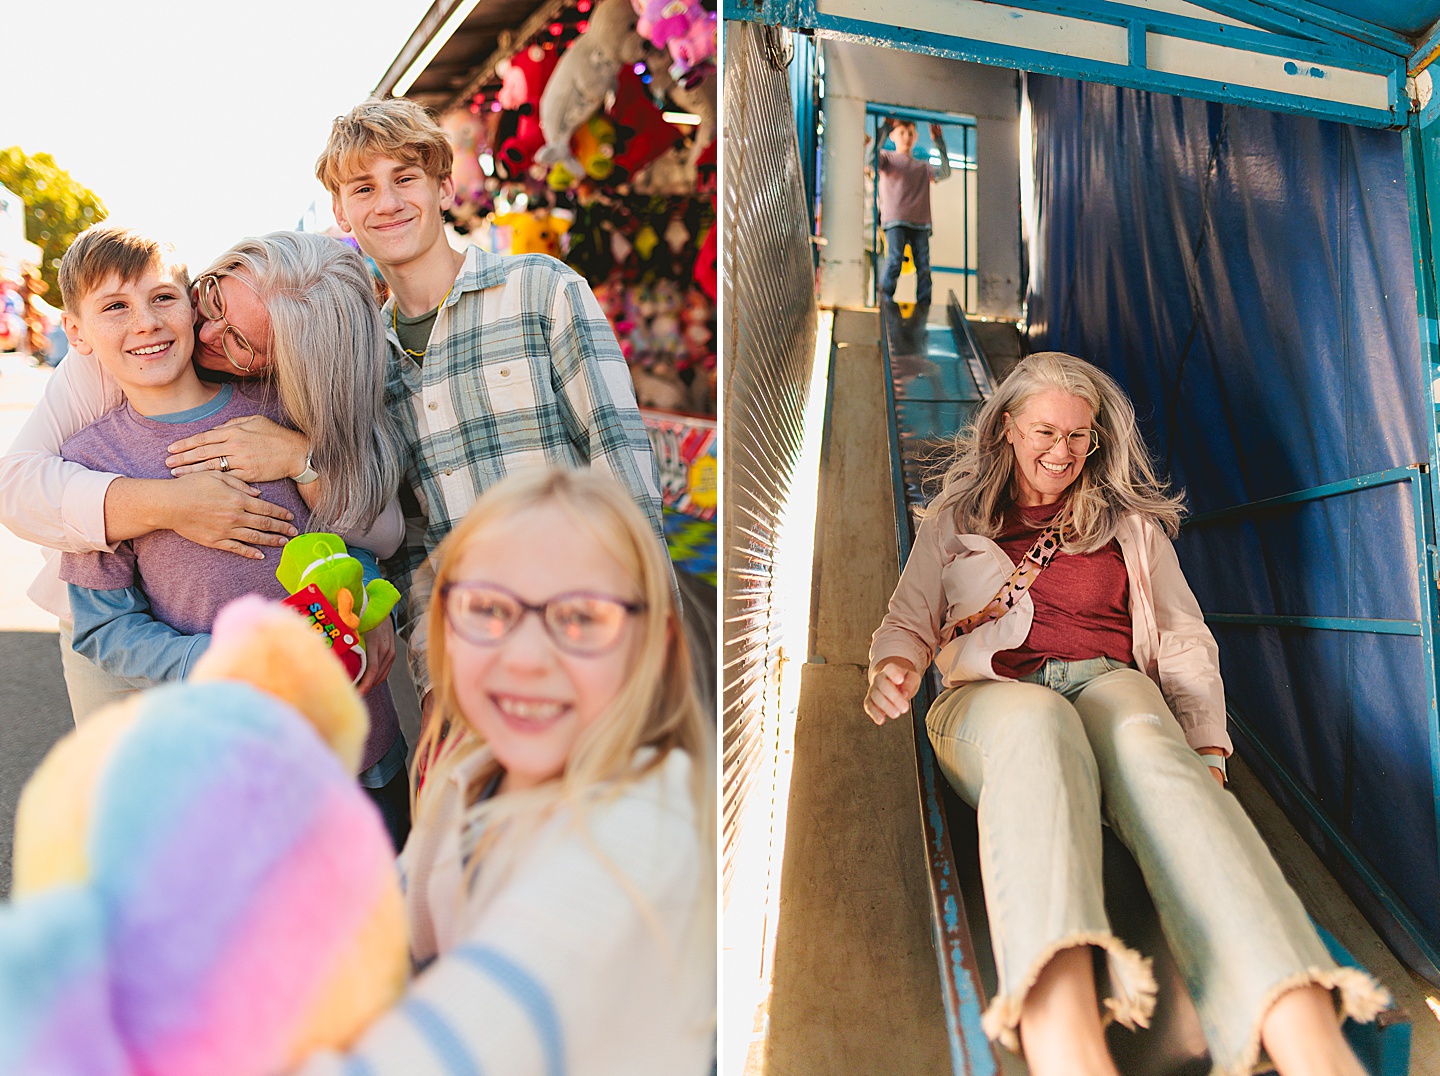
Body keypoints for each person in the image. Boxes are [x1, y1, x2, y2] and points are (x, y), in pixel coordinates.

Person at [865, 352, 1384, 1076]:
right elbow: (907, 621)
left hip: (1108, 684)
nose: (1062, 451)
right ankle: (1063, 1040)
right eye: (1046, 431)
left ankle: (1304, 1033)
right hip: (992, 695)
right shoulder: (956, 520)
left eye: (1079, 436)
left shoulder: (1128, 524)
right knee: (1037, 726)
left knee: (1152, 750)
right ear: (1007, 427)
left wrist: (1205, 748)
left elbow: (1181, 638)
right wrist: (892, 667)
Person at [292, 467, 714, 1074]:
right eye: (488, 609)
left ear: (658, 644)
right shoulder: (473, 772)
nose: (525, 658)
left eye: (582, 617)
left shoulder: (640, 834)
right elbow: (373, 939)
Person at [0, 228, 413, 847]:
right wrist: (220, 661)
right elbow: (103, 627)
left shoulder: (280, 405)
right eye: (116, 307)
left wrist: (369, 601)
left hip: (352, 746)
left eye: (164, 299)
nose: (147, 323)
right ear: (77, 333)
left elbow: (349, 532)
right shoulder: (88, 456)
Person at [310, 95, 666, 721]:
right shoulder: (366, 363)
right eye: (363, 188)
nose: (387, 202)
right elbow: (412, 543)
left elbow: (624, 472)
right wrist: (432, 681)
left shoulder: (543, 290)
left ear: (444, 187)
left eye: (405, 178)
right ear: (342, 212)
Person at [875, 117, 951, 305]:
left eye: (910, 133)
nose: (906, 137)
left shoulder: (922, 167)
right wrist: (885, 128)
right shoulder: (887, 159)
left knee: (923, 266)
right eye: (902, 133)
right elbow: (869, 160)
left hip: (920, 223)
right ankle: (884, 300)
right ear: (893, 136)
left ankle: (924, 304)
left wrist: (939, 142)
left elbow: (945, 172)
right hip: (895, 220)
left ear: (916, 136)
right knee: (894, 260)